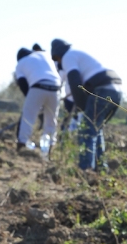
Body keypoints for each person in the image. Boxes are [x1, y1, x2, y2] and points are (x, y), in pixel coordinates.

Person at [50, 39, 122, 171]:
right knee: (96, 129)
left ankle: (85, 169)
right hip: (115, 90)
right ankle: (100, 168)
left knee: (86, 131)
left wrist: (81, 107)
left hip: (102, 89)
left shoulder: (68, 57)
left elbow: (74, 81)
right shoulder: (78, 55)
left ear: (57, 55)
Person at [14, 46, 61, 153]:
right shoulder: (43, 55)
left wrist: (33, 102)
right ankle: (49, 148)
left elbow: (23, 85)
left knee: (28, 117)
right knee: (51, 119)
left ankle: (22, 145)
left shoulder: (21, 63)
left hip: (38, 86)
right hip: (56, 87)